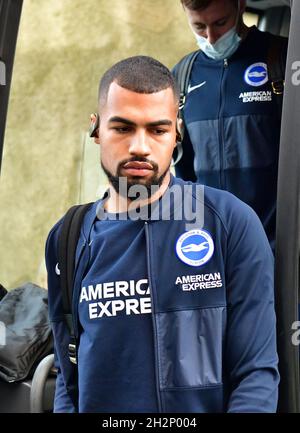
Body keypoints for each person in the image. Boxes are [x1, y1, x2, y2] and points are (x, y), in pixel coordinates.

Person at [45, 55, 279, 413]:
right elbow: (68, 376)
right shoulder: (67, 238)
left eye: (157, 130)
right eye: (122, 128)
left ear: (177, 133)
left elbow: (256, 374)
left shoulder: (230, 223)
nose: (140, 146)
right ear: (95, 129)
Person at [173, 0, 288, 250]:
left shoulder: (283, 60)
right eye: (199, 26)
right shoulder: (182, 77)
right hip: (212, 250)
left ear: (241, 5)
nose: (211, 38)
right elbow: (182, 176)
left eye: (220, 23)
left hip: (277, 248)